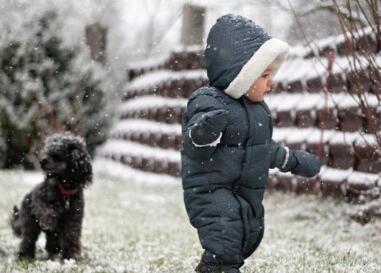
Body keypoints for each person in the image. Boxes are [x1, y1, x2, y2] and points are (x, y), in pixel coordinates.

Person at [181, 14, 321, 273]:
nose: (271, 82)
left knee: (249, 231)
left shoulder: (258, 111)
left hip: (245, 190)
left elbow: (260, 149)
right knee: (225, 235)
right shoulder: (208, 101)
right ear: (241, 74)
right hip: (210, 190)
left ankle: (211, 266)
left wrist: (291, 159)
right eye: (265, 74)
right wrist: (206, 131)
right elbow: (194, 144)